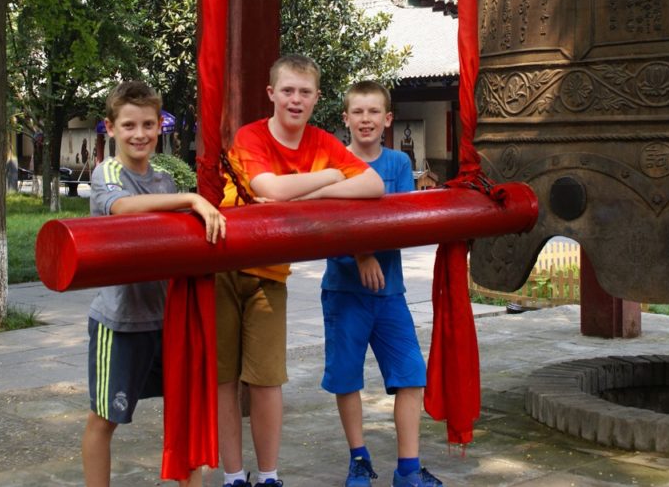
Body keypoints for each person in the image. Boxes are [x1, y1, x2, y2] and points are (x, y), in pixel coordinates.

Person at [217, 55, 386, 487]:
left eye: (304, 92)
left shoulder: (320, 142)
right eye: (288, 91)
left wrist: (307, 193)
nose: (296, 99)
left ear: (316, 98)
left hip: (271, 273)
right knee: (224, 380)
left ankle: (269, 476)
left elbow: (374, 185)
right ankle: (234, 475)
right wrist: (330, 178)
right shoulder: (250, 137)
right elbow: (266, 188)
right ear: (272, 94)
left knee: (266, 380)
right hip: (222, 267)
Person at [81, 80, 226, 487]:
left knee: (184, 414)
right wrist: (192, 199)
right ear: (110, 128)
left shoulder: (164, 179)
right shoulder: (106, 172)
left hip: (168, 318)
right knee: (105, 418)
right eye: (128, 125)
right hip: (121, 321)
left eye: (148, 124)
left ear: (160, 125)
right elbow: (123, 209)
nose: (140, 134)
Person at [321, 80, 443, 487]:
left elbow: (402, 222)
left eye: (374, 112)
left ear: (388, 119)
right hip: (344, 292)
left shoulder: (396, 165)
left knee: (411, 375)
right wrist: (361, 253)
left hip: (390, 293)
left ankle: (408, 468)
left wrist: (373, 248)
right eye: (358, 112)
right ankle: (358, 458)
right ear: (346, 119)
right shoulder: (332, 165)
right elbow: (326, 225)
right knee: (346, 378)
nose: (366, 119)